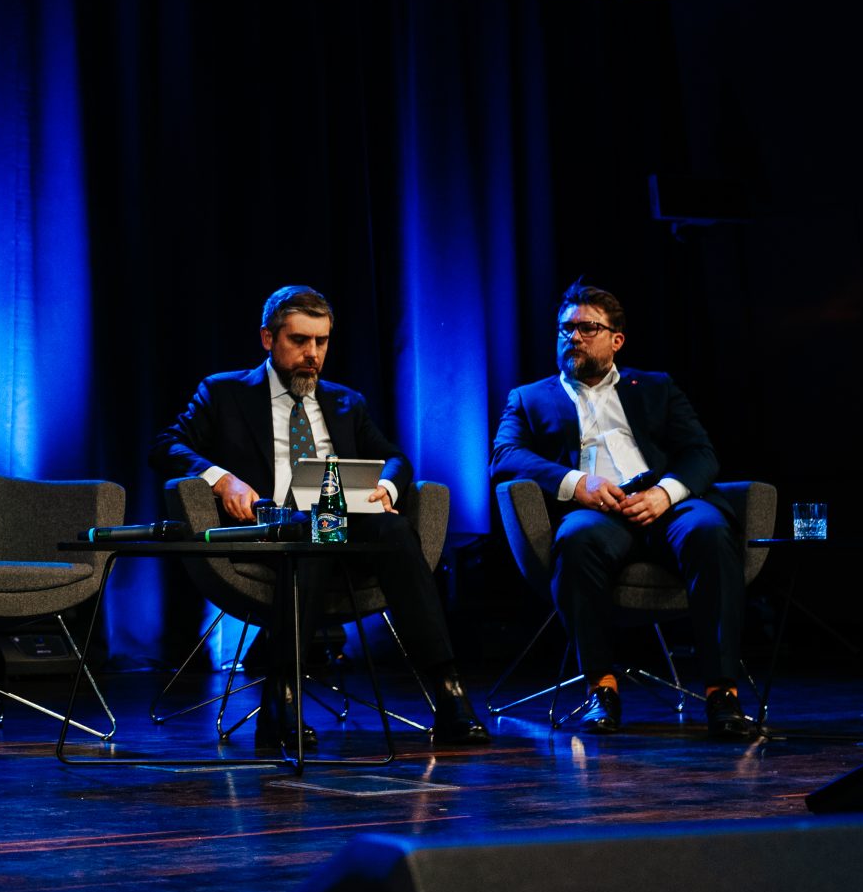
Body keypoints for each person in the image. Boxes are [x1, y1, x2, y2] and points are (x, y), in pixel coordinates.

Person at [149, 286, 490, 748]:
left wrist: (385, 489)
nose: (313, 354)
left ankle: (449, 692)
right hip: (271, 530)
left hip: (344, 527)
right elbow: (165, 446)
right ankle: (282, 696)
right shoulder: (224, 392)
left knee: (391, 527)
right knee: (314, 532)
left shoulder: (346, 401)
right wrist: (221, 479)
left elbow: (394, 458)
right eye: (300, 341)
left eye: (322, 342)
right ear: (268, 339)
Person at [490, 283, 757, 738]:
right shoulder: (529, 397)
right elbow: (504, 456)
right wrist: (578, 484)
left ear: (616, 339)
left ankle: (721, 692)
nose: (573, 337)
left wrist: (667, 493)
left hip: (664, 502)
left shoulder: (655, 386)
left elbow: (701, 453)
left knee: (709, 531)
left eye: (587, 328)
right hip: (596, 510)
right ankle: (602, 689)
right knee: (575, 541)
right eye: (565, 329)